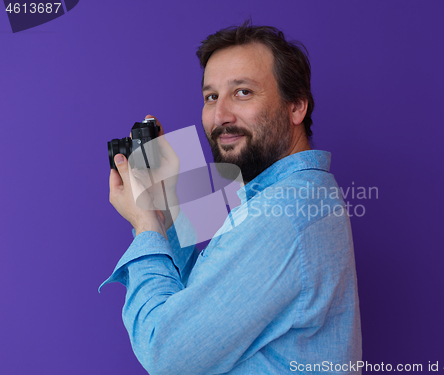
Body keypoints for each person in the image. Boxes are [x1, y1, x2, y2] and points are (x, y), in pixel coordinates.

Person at [101, 21, 362, 375]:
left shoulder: (282, 213)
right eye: (211, 97)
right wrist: (164, 209)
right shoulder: (287, 196)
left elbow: (164, 353)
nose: (220, 116)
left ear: (296, 106)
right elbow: (197, 299)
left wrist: (145, 223)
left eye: (242, 92)